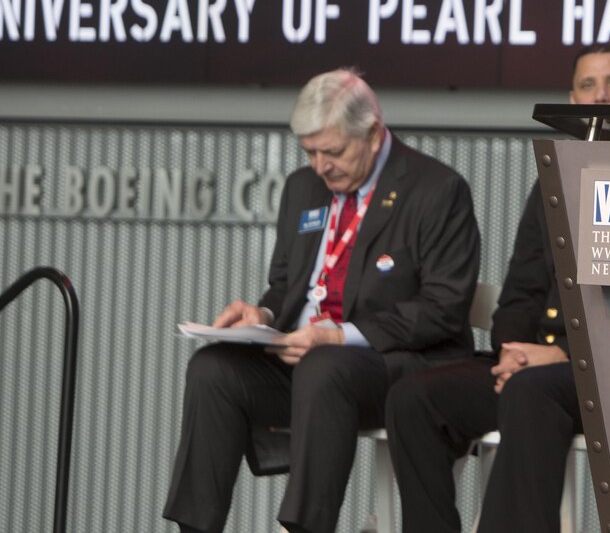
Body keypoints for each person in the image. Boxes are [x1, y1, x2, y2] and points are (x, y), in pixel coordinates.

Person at [162, 69, 481, 533]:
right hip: (307, 359)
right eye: (309, 152)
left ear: (373, 134)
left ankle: (306, 526)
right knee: (213, 370)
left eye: (332, 151)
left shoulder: (436, 191)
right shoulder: (301, 188)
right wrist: (264, 314)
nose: (320, 166)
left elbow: (444, 307)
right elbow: (287, 283)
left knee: (325, 366)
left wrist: (336, 336)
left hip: (398, 364)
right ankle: (195, 526)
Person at [385, 43, 610, 533]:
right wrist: (511, 351)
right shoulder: (555, 176)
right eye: (587, 86)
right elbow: (521, 291)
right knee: (413, 398)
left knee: (530, 392)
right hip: (534, 370)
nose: (600, 98)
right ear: (572, 99)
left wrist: (566, 355)